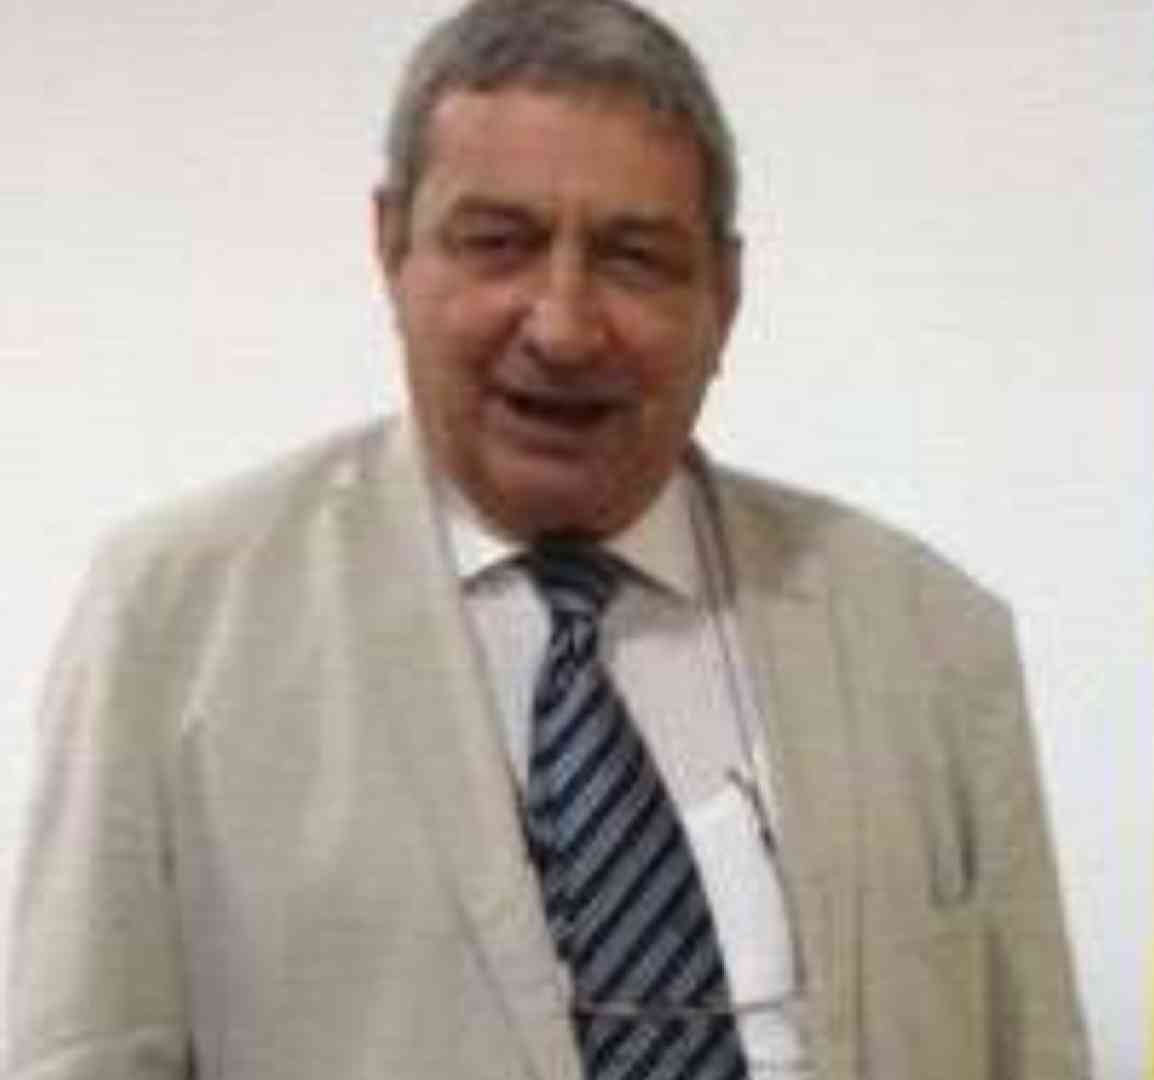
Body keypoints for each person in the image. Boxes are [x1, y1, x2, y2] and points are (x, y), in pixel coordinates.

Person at [4, 1, 1089, 1077]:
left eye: (635, 258)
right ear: (391, 248)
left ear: (725, 292)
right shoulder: (174, 623)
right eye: (499, 245)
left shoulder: (930, 642)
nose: (564, 328)